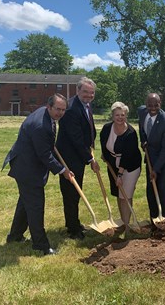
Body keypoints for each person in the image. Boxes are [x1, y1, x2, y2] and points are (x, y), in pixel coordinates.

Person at [3, 94, 73, 255]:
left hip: (26, 164)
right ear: (49, 106)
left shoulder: (45, 114)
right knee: (35, 206)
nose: (60, 113)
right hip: (27, 168)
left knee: (26, 203)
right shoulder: (41, 126)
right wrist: (63, 171)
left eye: (63, 110)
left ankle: (15, 236)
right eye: (58, 109)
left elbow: (47, 148)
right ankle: (41, 245)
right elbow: (45, 155)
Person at [56, 77, 99, 240]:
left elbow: (88, 127)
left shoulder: (86, 104)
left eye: (91, 93)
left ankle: (74, 222)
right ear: (78, 90)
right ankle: (73, 229)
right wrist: (90, 159)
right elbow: (76, 138)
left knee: (75, 191)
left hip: (78, 155)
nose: (89, 95)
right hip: (69, 157)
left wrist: (91, 144)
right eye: (85, 92)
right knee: (71, 193)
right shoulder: (72, 108)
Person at [100, 102, 142, 234]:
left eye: (122, 115)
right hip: (113, 164)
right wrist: (105, 157)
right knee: (119, 194)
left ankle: (128, 225)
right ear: (112, 116)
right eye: (117, 115)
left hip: (130, 167)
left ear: (126, 116)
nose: (120, 117)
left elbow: (127, 156)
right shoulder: (107, 128)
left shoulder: (130, 133)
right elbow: (103, 145)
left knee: (126, 195)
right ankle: (124, 223)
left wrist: (119, 175)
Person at [138, 93, 165, 227]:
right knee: (150, 190)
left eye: (156, 105)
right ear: (146, 104)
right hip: (150, 156)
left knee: (163, 189)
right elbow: (142, 129)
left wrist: (156, 169)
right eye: (150, 105)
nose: (153, 107)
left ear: (160, 103)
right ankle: (154, 220)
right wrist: (143, 141)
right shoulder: (142, 112)